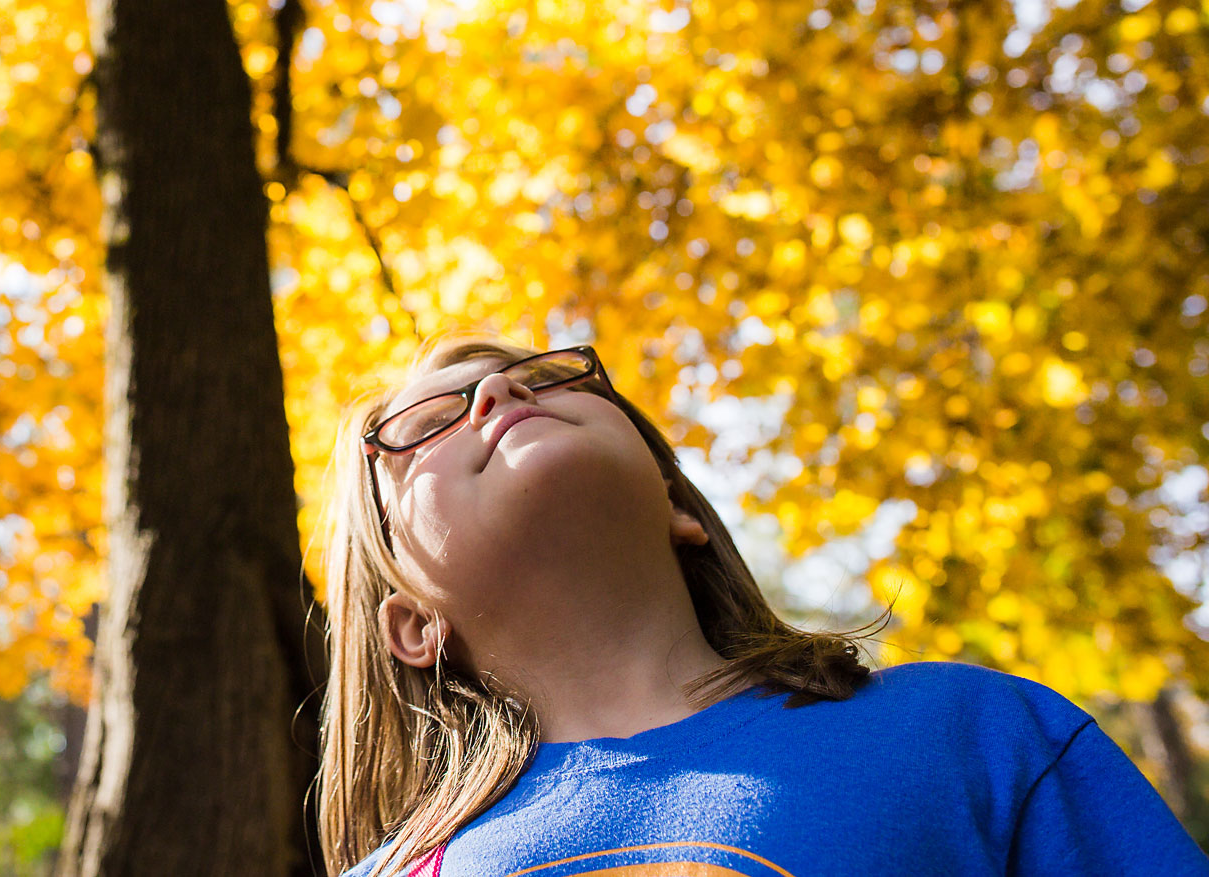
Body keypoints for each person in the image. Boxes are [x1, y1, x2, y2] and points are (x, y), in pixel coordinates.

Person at [319, 332, 1209, 877]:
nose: (499, 392)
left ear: (678, 508)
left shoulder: (971, 732)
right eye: (427, 421)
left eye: (548, 376)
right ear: (412, 622)